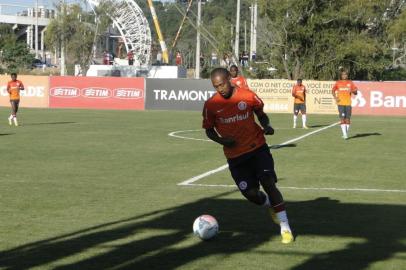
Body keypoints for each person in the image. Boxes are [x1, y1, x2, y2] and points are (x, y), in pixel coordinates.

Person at [202, 68, 294, 244]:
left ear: (229, 79)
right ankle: (270, 205)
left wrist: (266, 125)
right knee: (251, 194)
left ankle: (285, 226)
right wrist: (223, 141)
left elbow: (261, 114)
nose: (219, 89)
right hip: (235, 157)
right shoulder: (211, 105)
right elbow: (209, 131)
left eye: (221, 84)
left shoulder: (247, 95)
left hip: (257, 148)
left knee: (268, 181)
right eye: (216, 86)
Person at [332, 70, 358, 139]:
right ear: (341, 75)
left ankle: (345, 134)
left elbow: (355, 92)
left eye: (345, 74)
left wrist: (353, 91)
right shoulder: (338, 82)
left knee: (348, 119)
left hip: (348, 104)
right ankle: (345, 135)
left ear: (347, 75)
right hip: (340, 103)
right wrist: (335, 98)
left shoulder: (350, 83)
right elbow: (333, 90)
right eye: (343, 74)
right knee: (342, 118)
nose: (344, 76)